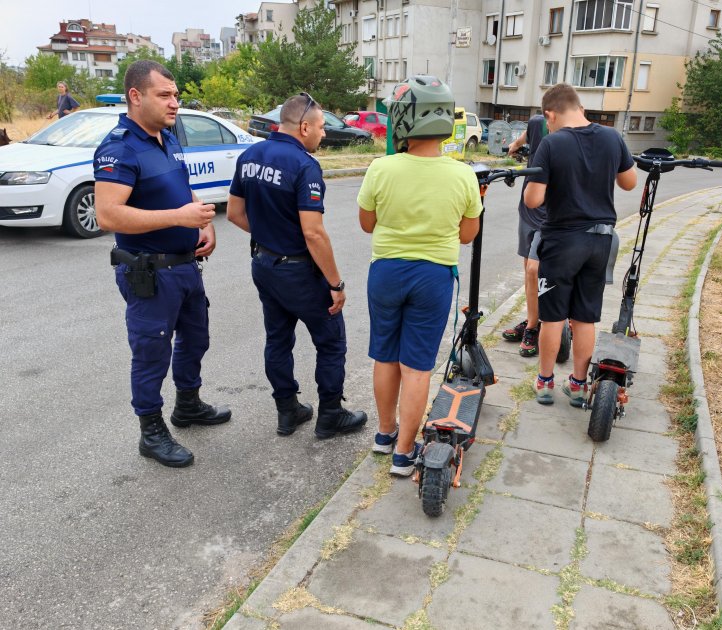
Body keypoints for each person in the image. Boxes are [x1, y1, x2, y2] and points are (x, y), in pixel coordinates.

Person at [94, 60, 231, 468]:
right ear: (136, 96)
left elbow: (181, 189)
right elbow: (108, 215)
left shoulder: (166, 138)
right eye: (165, 95)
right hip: (150, 273)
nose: (174, 103)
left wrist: (201, 226)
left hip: (186, 264)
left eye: (176, 95)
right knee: (152, 353)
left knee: (196, 339)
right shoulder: (119, 148)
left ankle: (187, 405)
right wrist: (178, 219)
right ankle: (151, 432)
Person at [358, 76, 482, 476]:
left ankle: (384, 434)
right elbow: (467, 235)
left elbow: (366, 223)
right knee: (417, 366)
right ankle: (404, 453)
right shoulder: (463, 176)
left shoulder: (381, 168)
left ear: (401, 121)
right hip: (433, 277)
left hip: (386, 272)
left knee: (385, 355)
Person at [227, 93, 367, 440]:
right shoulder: (305, 165)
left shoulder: (250, 156)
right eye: (320, 128)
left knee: (278, 339)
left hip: (263, 264)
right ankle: (330, 415)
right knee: (331, 343)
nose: (323, 134)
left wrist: (269, 234)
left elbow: (234, 214)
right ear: (303, 127)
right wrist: (335, 284)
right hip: (299, 272)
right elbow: (314, 233)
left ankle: (287, 412)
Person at [523, 83, 637, 406]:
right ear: (580, 107)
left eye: (548, 121)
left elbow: (533, 200)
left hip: (562, 241)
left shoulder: (552, 143)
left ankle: (545, 381)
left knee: (553, 315)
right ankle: (577, 385)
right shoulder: (613, 137)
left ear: (551, 114)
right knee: (586, 316)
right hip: (601, 240)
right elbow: (629, 182)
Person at [502, 115, 548, 357]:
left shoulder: (570, 131)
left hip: (553, 212)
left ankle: (543, 325)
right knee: (528, 270)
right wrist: (514, 146)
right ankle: (532, 321)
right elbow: (523, 138)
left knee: (535, 269)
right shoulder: (536, 122)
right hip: (529, 210)